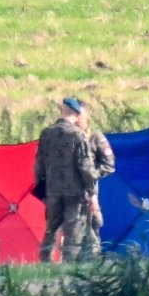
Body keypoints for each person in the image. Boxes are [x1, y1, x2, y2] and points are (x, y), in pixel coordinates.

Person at [33, 97, 98, 263]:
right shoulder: (78, 135)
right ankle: (69, 265)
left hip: (52, 190)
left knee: (51, 228)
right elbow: (85, 166)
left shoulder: (46, 134)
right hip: (74, 192)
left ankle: (45, 261)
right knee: (73, 230)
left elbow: (39, 164)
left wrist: (41, 189)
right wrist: (91, 192)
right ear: (76, 115)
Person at [78, 102, 115, 258]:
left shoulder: (95, 137)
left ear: (87, 116)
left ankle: (92, 267)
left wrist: (91, 174)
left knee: (92, 230)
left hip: (89, 193)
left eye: (79, 115)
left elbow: (109, 164)